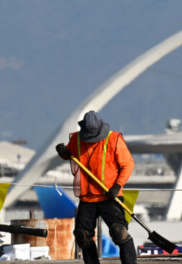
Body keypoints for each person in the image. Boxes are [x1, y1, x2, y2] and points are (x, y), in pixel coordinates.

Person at [56, 111, 136, 264]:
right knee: (82, 236)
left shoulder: (114, 139)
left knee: (119, 232)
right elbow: (69, 154)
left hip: (109, 196)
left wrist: (117, 186)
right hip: (87, 197)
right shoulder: (76, 139)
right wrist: (63, 152)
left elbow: (128, 165)